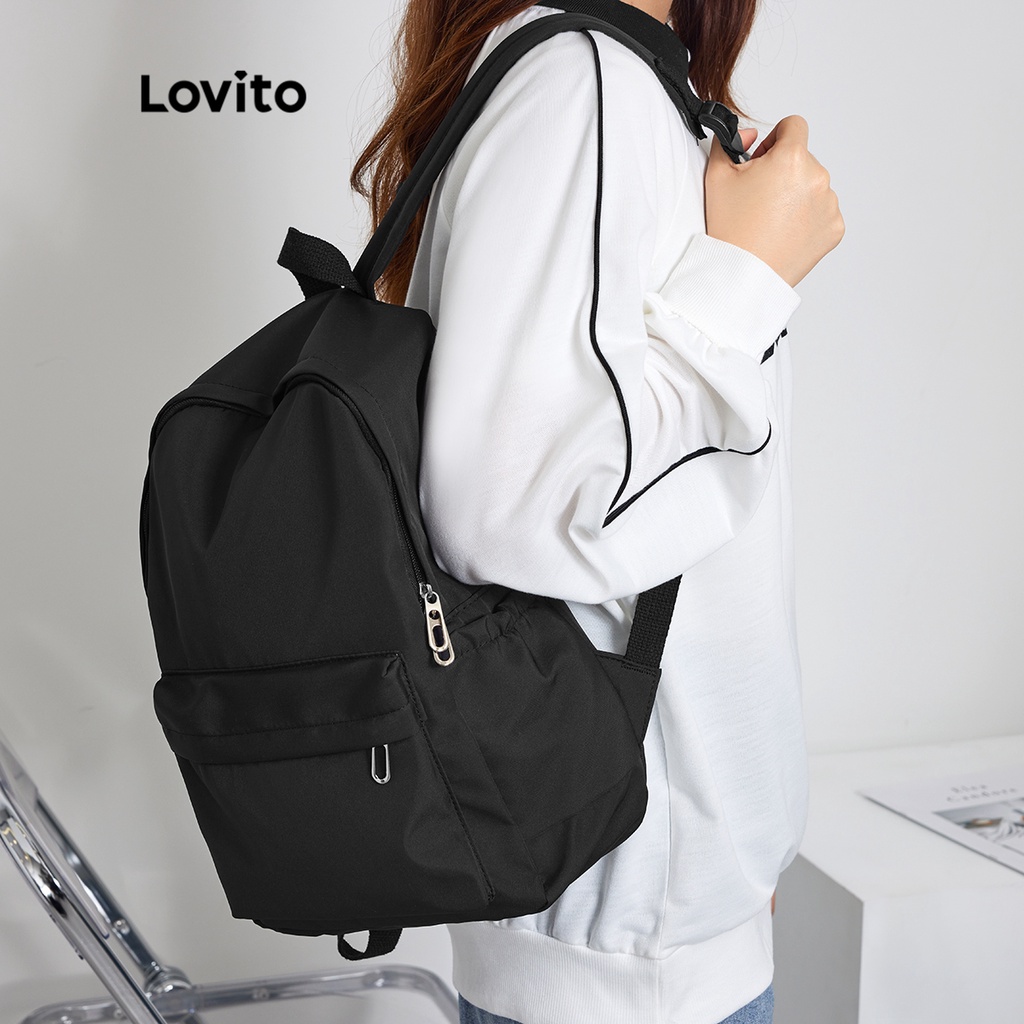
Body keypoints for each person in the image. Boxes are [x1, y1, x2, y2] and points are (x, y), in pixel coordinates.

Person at [353, 0, 843, 1020]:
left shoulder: (626, 80)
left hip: (661, 929)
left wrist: (733, 865)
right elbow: (510, 505)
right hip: (628, 961)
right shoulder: (583, 79)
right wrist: (749, 279)